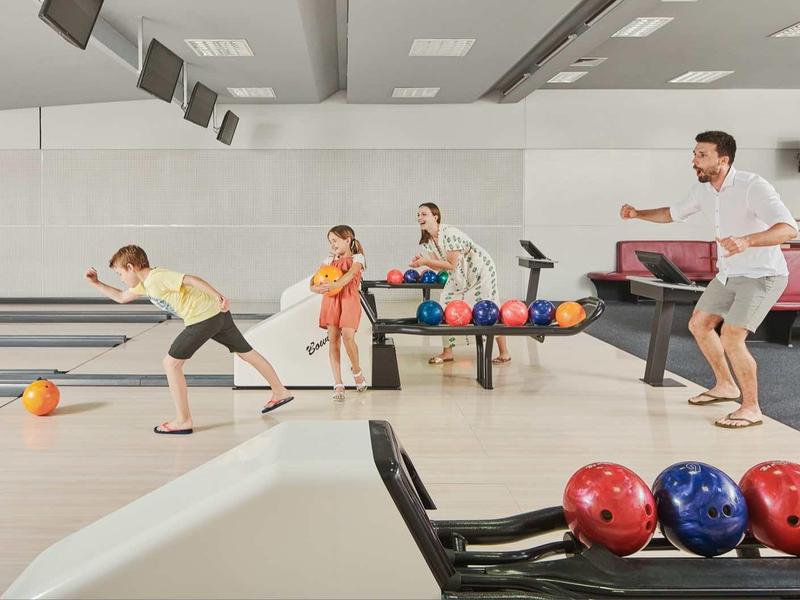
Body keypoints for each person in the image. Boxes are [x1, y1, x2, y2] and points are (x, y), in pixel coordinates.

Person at [620, 130, 797, 428]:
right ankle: (726, 385)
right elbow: (672, 214)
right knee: (699, 324)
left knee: (731, 336)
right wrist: (638, 213)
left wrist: (747, 241)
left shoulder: (753, 186)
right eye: (694, 154)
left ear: (723, 159)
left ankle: (751, 407)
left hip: (762, 276)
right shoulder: (703, 191)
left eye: (702, 155)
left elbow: (789, 229)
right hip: (728, 274)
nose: (694, 161)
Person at [85, 245, 293, 434]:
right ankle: (280, 391)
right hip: (216, 316)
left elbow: (191, 279)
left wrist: (219, 295)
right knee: (246, 352)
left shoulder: (157, 277)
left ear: (131, 267)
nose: (120, 278)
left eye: (120, 273)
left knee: (171, 364)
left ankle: (183, 420)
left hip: (203, 318)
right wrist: (96, 283)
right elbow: (121, 297)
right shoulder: (145, 285)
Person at [411, 202, 511, 365]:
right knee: (445, 302)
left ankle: (504, 352)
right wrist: (424, 264)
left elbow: (451, 264)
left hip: (480, 270)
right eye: (418, 215)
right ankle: (447, 352)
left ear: (435, 217)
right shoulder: (428, 240)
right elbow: (439, 266)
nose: (419, 218)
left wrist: (425, 262)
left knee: (490, 307)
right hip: (460, 273)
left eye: (424, 214)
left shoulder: (449, 234)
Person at [311, 225, 368, 402]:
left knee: (348, 336)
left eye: (335, 240)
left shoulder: (358, 258)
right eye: (330, 241)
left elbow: (351, 275)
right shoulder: (328, 260)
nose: (332, 244)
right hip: (331, 301)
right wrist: (317, 288)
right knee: (333, 339)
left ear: (347, 240)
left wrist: (335, 284)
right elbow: (312, 283)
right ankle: (338, 383)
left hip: (349, 299)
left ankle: (356, 371)